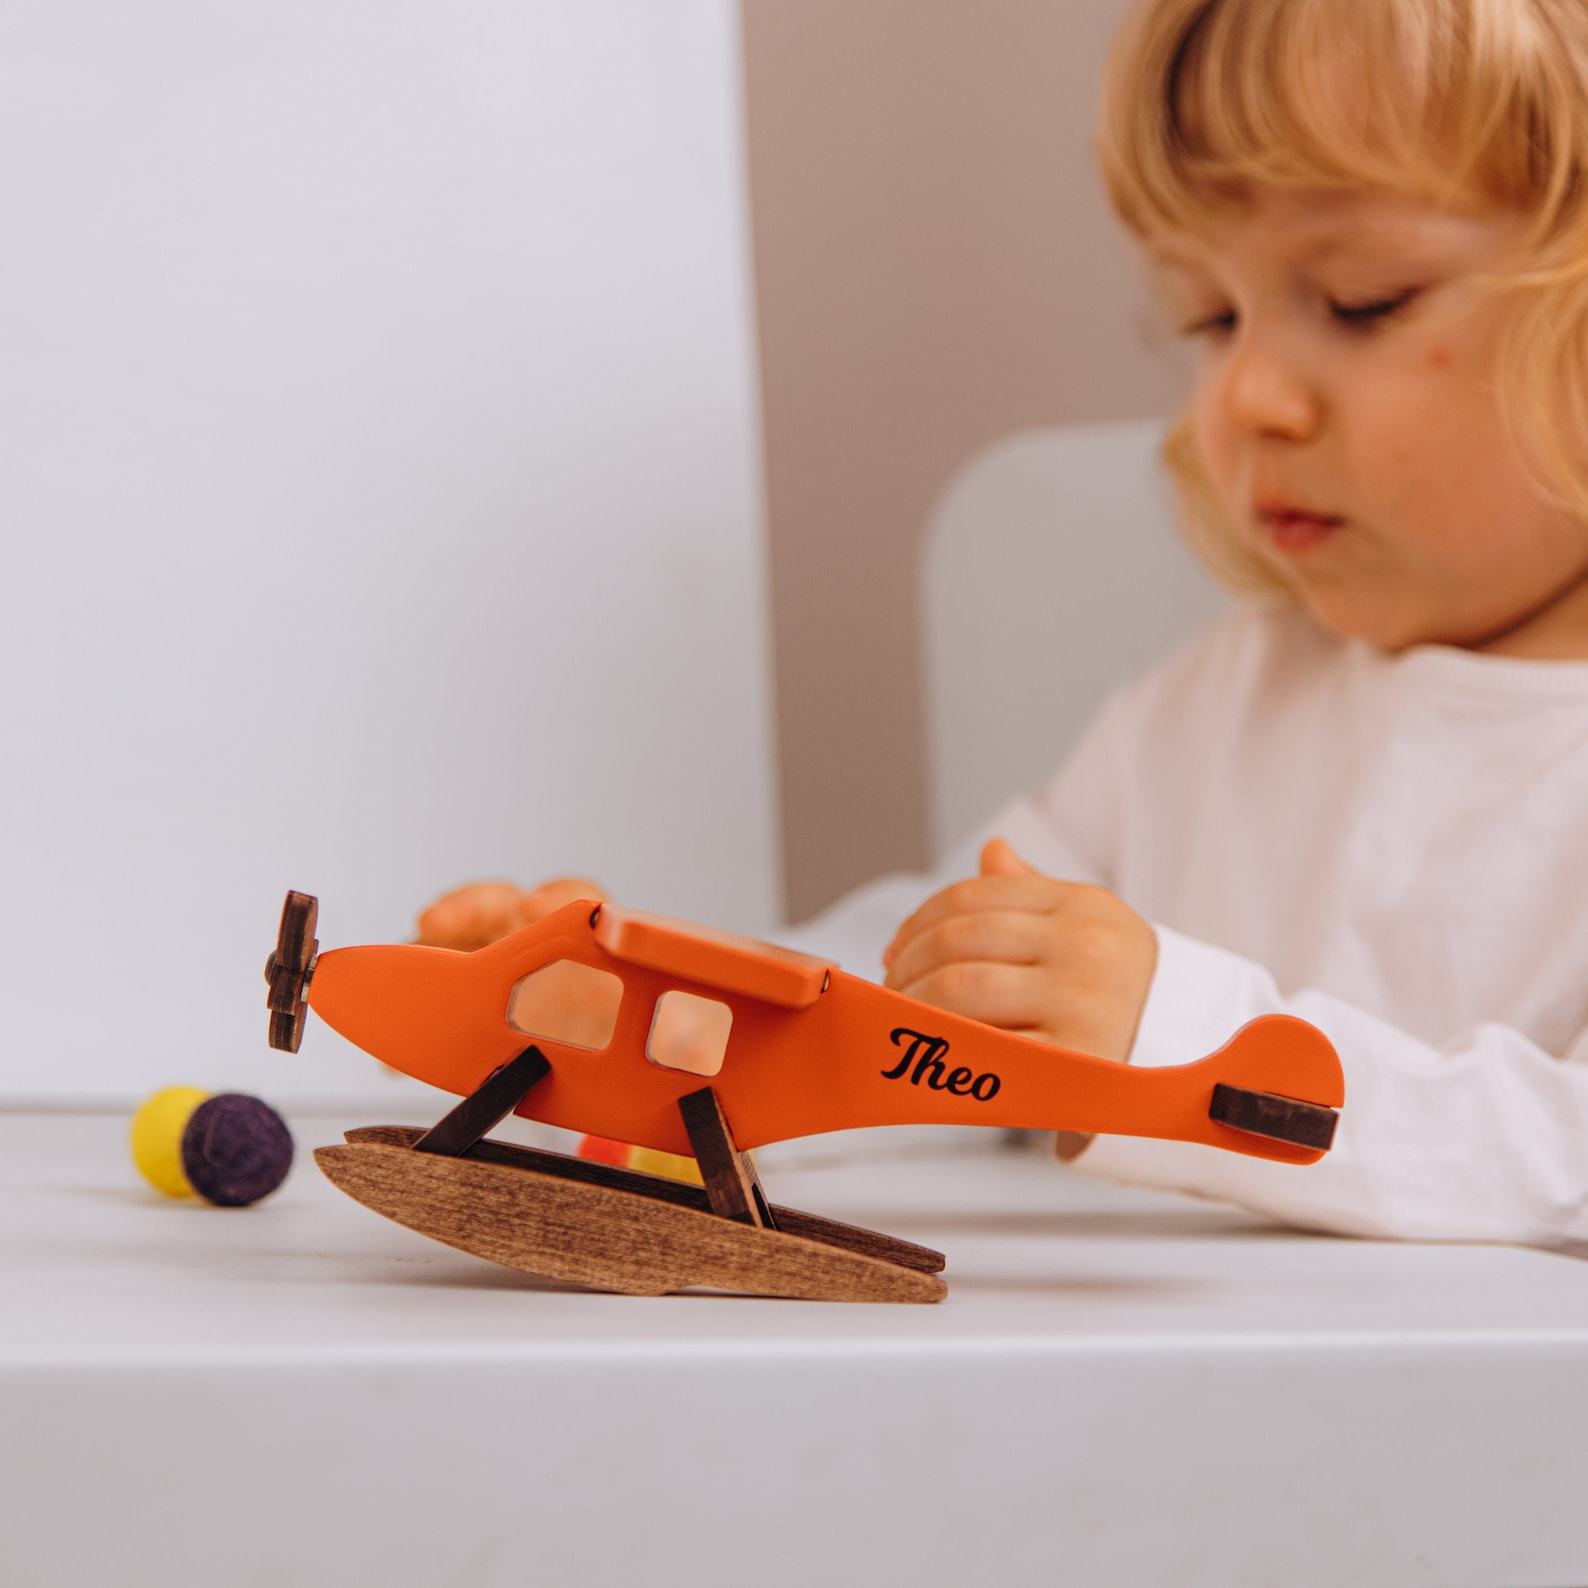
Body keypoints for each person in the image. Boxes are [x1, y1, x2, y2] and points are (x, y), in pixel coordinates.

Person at [418, 0, 1588, 1247]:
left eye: (1362, 300)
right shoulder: (1210, 708)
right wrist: (660, 1019)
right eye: (1209, 318)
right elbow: (940, 988)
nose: (1239, 397)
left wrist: (1178, 1048)